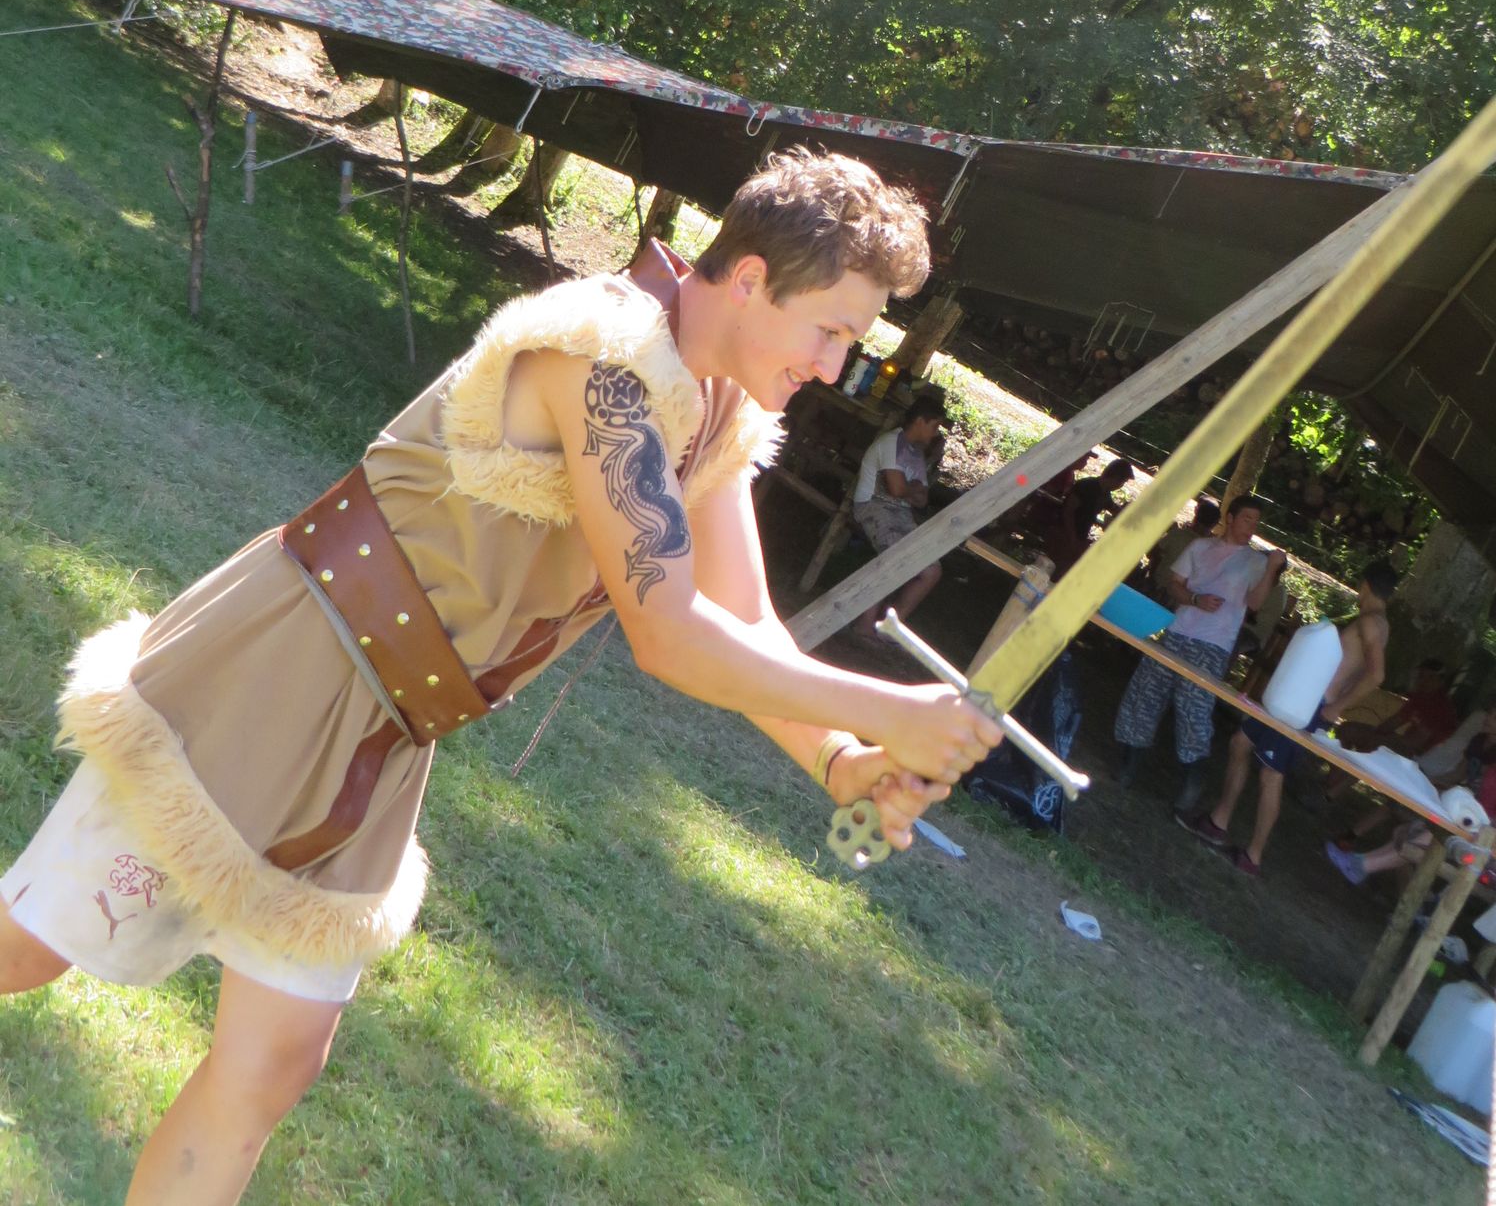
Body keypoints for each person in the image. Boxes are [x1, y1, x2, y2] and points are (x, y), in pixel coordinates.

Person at [0, 148, 1002, 1206]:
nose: (835, 366)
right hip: (284, 667)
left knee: (271, 1067)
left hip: (388, 735)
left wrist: (842, 758)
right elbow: (667, 629)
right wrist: (894, 708)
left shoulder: (715, 407)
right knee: (30, 948)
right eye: (830, 330)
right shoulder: (603, 355)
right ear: (751, 279)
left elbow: (746, 621)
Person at [1181, 559, 1398, 876]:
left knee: (1272, 774)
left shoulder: (1371, 623)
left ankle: (1253, 856)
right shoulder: (1378, 624)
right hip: (1301, 696)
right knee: (1241, 742)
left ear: (1365, 585)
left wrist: (1337, 707)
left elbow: (1376, 675)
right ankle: (1218, 821)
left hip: (1313, 706)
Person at [1113, 495, 1286, 810]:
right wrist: (1195, 599)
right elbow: (1174, 584)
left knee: (1193, 705)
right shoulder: (1200, 547)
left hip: (1214, 642)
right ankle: (1129, 761)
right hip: (1179, 630)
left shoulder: (1255, 562)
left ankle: (1193, 779)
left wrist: (1272, 569)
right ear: (1230, 518)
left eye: (1256, 521)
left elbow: (1255, 603)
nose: (1251, 526)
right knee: (1146, 691)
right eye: (1246, 518)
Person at [1326, 702, 1496, 888]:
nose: (1487, 717)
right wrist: (1433, 784)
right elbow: (1459, 774)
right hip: (1466, 809)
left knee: (1423, 836)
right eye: (1489, 713)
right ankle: (1359, 861)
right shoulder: (1478, 741)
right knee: (1402, 830)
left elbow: (1486, 808)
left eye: (1493, 716)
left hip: (1480, 830)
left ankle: (1361, 865)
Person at [851, 392, 947, 639]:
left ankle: (887, 628)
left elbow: (921, 498)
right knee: (897, 557)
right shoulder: (891, 443)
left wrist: (907, 488)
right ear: (920, 421)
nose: (935, 433)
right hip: (873, 507)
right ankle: (863, 625)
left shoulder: (916, 454)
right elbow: (897, 489)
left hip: (900, 514)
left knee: (932, 571)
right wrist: (907, 489)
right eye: (934, 426)